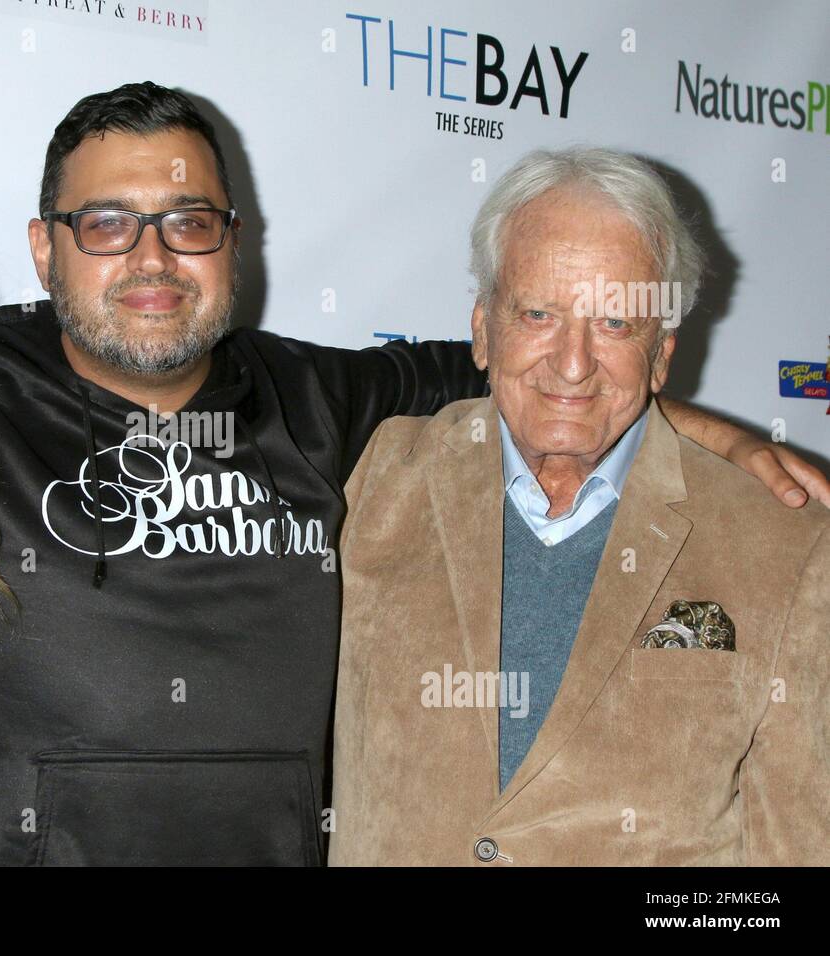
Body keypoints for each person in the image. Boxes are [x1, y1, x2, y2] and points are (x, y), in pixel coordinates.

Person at [0, 85, 825, 866]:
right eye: (107, 224)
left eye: (189, 221)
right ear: (44, 248)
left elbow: (547, 365)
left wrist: (716, 437)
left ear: (234, 246)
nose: (151, 255)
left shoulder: (328, 397)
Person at [329, 147, 829, 866]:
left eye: (617, 324)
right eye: (538, 312)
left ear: (662, 355)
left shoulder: (786, 547)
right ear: (481, 329)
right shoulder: (376, 479)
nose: (572, 361)